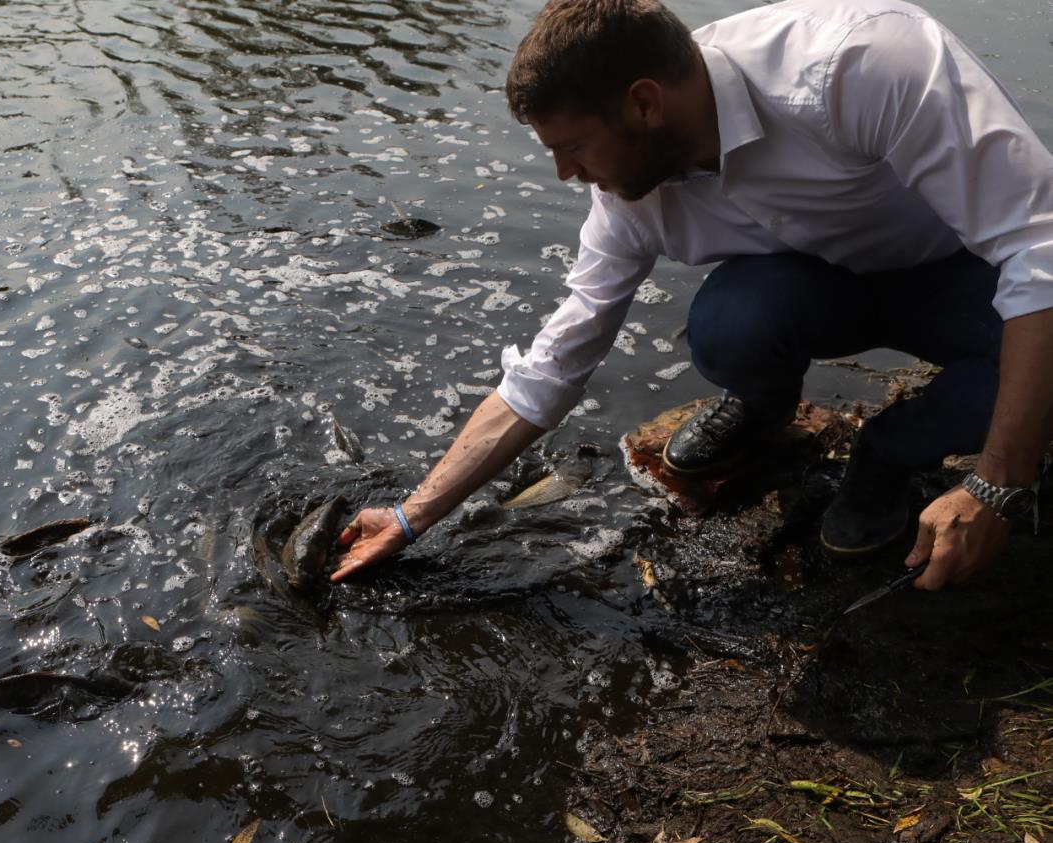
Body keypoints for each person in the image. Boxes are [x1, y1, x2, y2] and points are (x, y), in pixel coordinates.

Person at [331, 0, 1053, 591]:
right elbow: (551, 368)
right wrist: (409, 515)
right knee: (727, 323)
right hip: (821, 286)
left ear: (644, 103)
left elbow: (1037, 249)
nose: (562, 173)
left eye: (573, 148)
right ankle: (765, 409)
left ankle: (890, 453)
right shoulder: (629, 196)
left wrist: (996, 486)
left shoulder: (860, 65)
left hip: (965, 268)